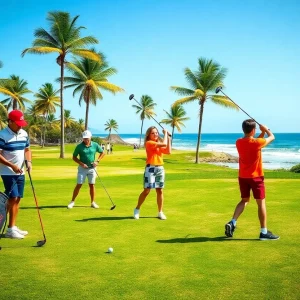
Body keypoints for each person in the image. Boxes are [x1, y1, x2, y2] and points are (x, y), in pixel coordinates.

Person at [225, 119, 279, 240]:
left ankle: (233, 222)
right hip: (256, 178)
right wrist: (266, 130)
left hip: (243, 177)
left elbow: (258, 141)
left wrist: (262, 132)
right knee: (261, 204)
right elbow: (272, 137)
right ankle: (263, 232)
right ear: (253, 130)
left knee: (244, 200)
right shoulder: (256, 143)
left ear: (243, 129)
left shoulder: (238, 142)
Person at [0, 110, 32, 239]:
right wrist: (11, 165)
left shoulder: (24, 133)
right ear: (10, 122)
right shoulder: (2, 135)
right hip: (7, 172)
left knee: (17, 198)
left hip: (21, 172)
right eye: (18, 123)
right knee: (13, 198)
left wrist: (29, 162)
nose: (20, 126)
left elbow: (27, 150)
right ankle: (10, 229)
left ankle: (12, 226)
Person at [133, 126, 171, 220]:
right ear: (149, 135)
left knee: (160, 190)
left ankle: (160, 212)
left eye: (156, 133)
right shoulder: (149, 143)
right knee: (147, 190)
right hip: (150, 168)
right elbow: (164, 143)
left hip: (160, 169)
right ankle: (137, 209)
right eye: (153, 133)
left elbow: (168, 151)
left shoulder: (158, 144)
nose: (155, 134)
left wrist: (169, 138)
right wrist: (166, 133)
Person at [67, 130, 105, 209]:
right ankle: (72, 201)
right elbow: (74, 157)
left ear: (90, 137)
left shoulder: (95, 145)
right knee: (79, 184)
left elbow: (102, 153)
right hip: (82, 168)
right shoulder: (79, 146)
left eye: (87, 138)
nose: (86, 140)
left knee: (92, 185)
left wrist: (97, 161)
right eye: (84, 138)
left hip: (92, 168)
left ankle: (93, 202)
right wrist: (81, 164)